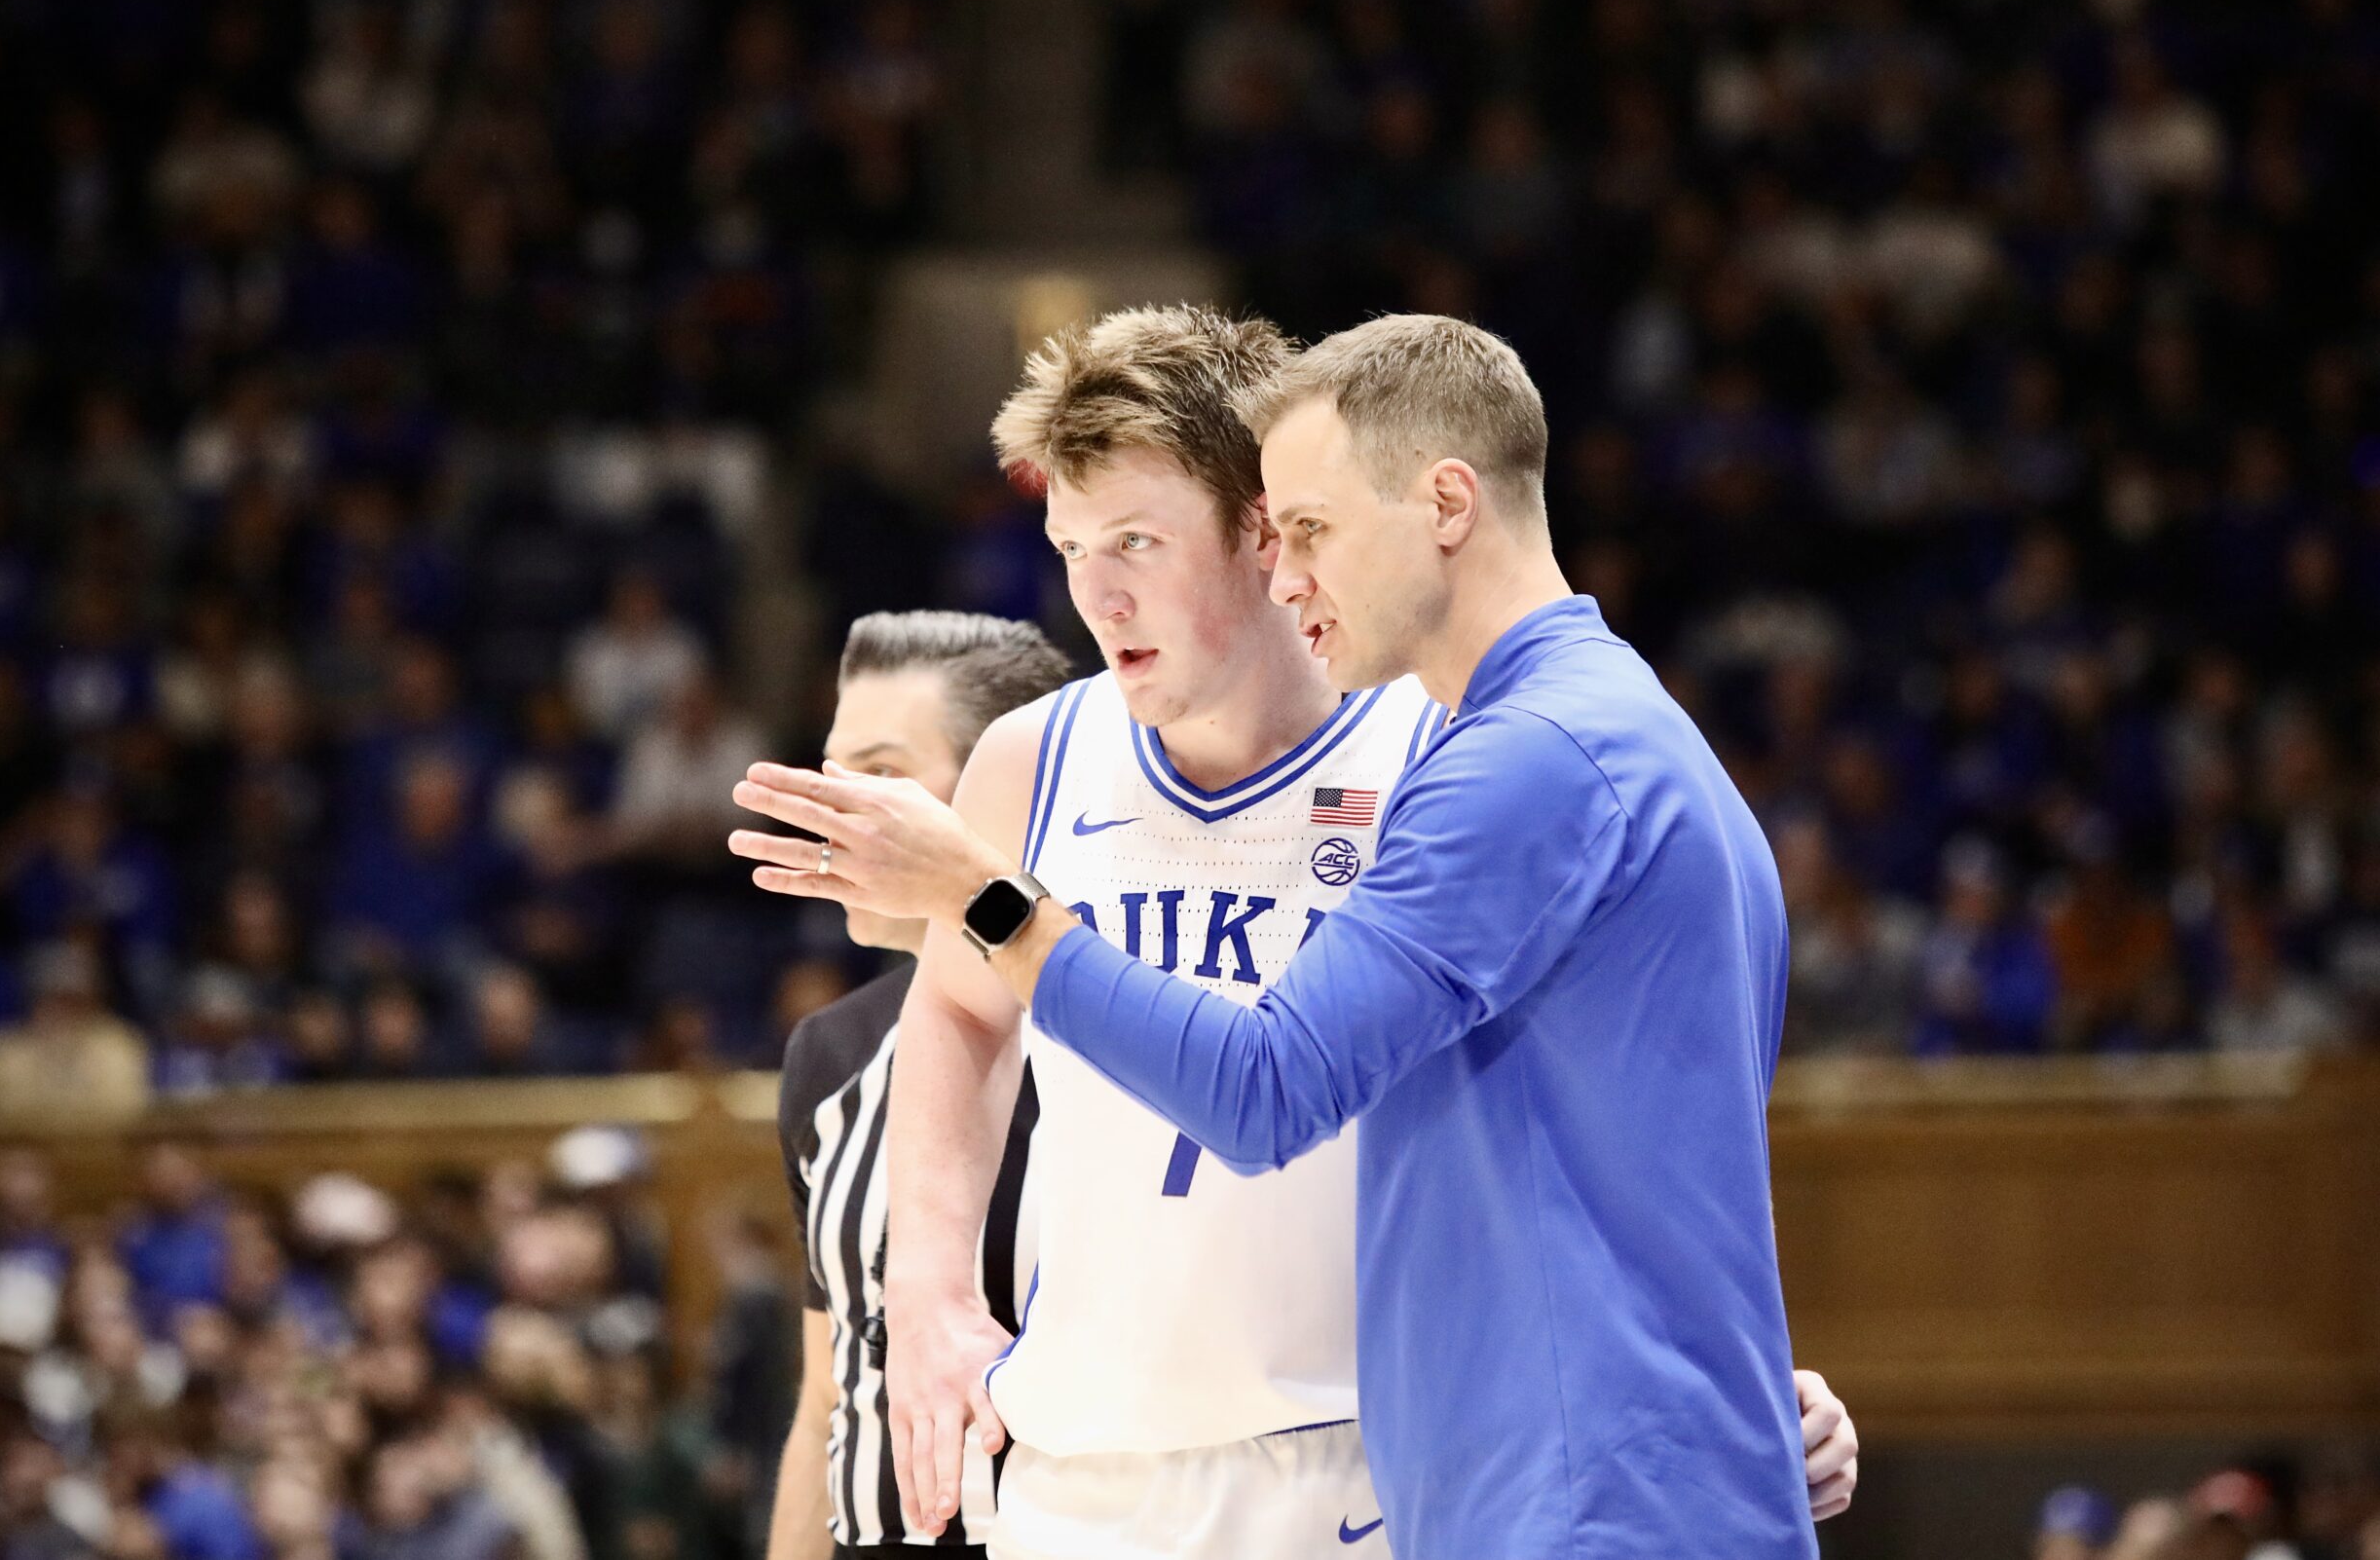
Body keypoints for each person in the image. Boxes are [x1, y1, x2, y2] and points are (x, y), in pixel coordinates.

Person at [732, 309, 1856, 1559]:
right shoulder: (1034, 755)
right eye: (1068, 547)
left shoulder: (1457, 746)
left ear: (1260, 530)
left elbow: (1338, 1089)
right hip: (1088, 1462)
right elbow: (951, 1007)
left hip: (1370, 1458)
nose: (1096, 594)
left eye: (1138, 543)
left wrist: (1727, 1385)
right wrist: (931, 1284)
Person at [771, 612, 1069, 1560]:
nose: (842, 809)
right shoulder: (828, 1055)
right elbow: (827, 1398)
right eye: (833, 772)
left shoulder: (1097, 1026)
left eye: (886, 775)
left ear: (1004, 791)